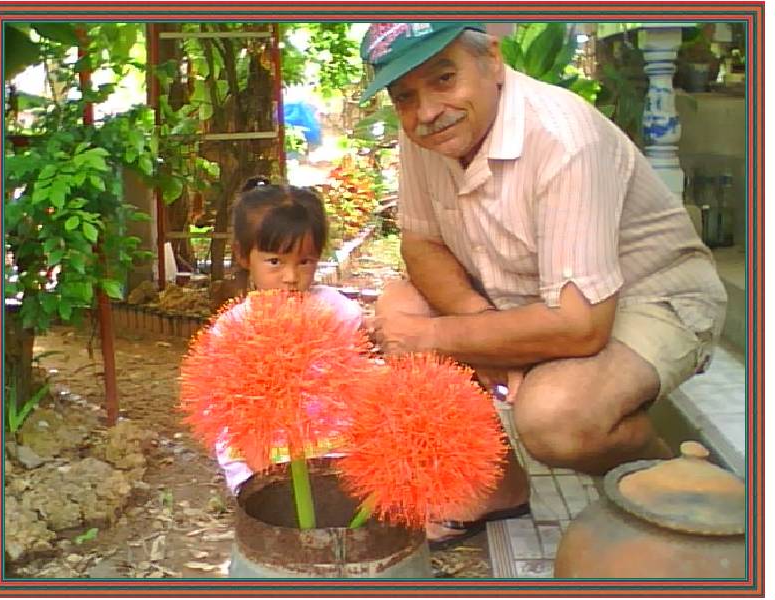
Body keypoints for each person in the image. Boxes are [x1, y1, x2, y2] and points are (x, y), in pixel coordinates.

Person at [359, 22, 727, 548]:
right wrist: (483, 327)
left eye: (444, 79)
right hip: (528, 294)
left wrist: (435, 337)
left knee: (556, 417)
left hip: (649, 294)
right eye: (406, 97)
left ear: (491, 57)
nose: (426, 111)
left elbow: (579, 328)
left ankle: (677, 486)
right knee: (399, 303)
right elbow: (420, 243)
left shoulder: (560, 137)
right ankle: (497, 485)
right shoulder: (428, 128)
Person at [214, 176, 363, 493]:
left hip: (335, 460)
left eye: (305, 261)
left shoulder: (340, 313)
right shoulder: (233, 327)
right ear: (243, 256)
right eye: (274, 262)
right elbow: (226, 413)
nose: (291, 277)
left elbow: (359, 386)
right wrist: (255, 473)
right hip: (262, 464)